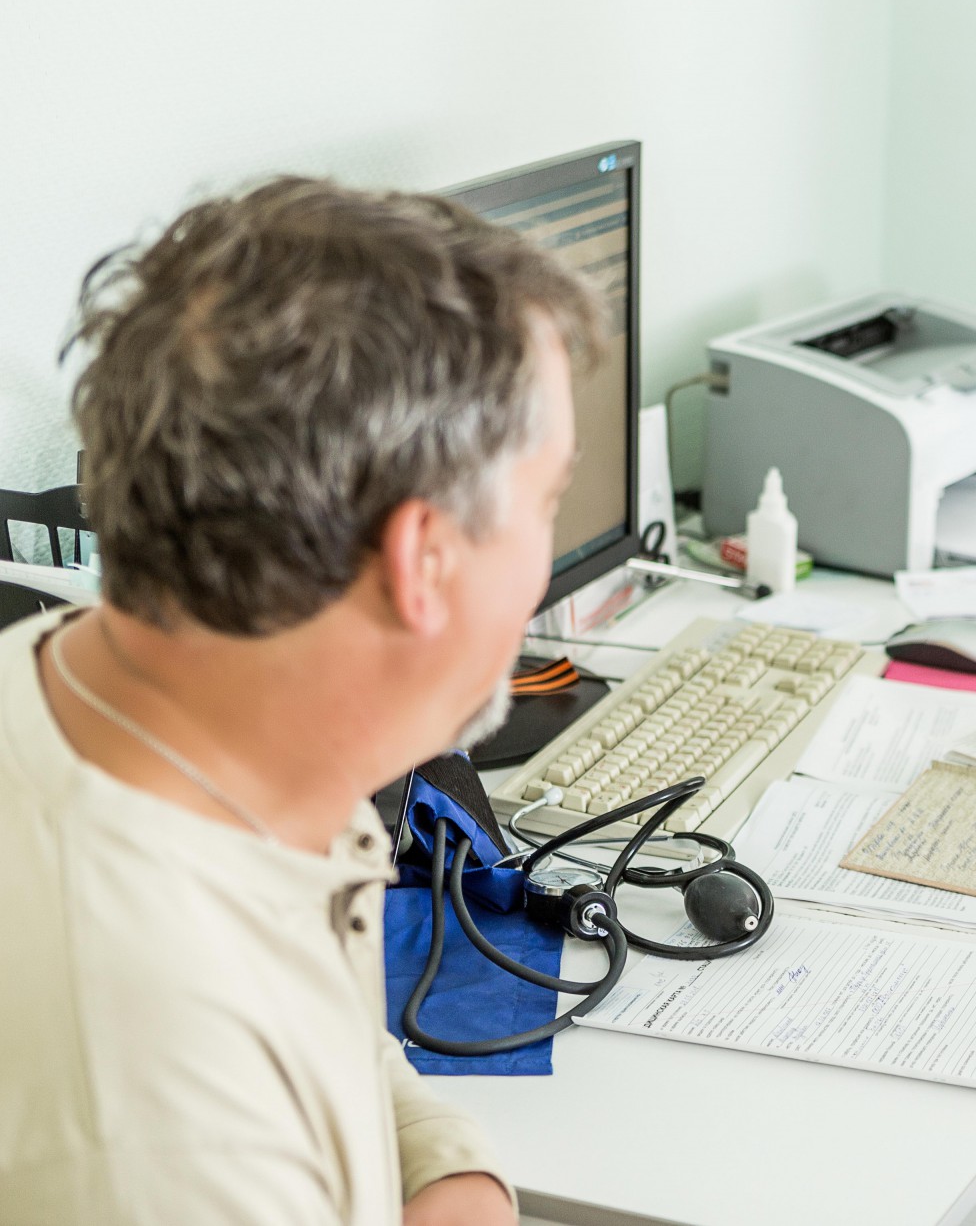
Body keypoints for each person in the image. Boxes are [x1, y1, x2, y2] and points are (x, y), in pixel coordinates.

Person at [0, 178, 607, 1224]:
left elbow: (310, 1012)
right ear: (425, 558)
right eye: (545, 501)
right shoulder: (159, 1128)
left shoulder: (158, 704)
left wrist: (440, 1162)